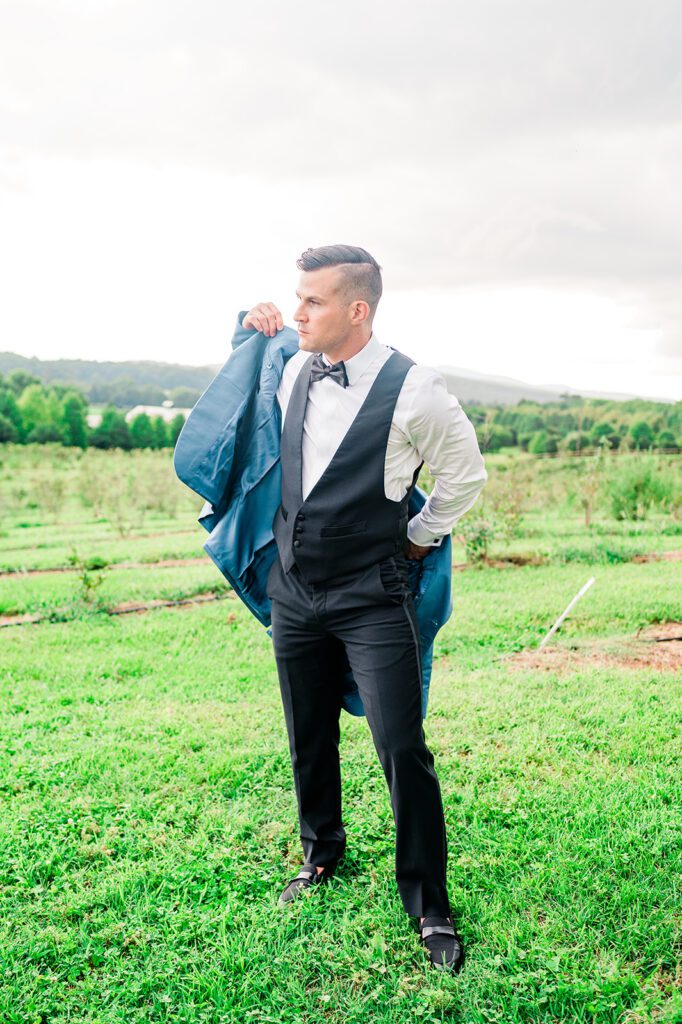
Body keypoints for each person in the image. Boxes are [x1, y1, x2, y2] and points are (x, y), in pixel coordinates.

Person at [242, 244, 487, 972]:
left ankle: (428, 904)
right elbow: (247, 406)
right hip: (296, 590)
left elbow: (463, 476)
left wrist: (416, 539)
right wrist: (246, 326)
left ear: (357, 309)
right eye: (295, 298)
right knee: (306, 732)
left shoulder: (417, 390)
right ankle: (321, 855)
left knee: (401, 747)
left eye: (311, 301)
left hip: (373, 596)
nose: (298, 311)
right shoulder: (291, 366)